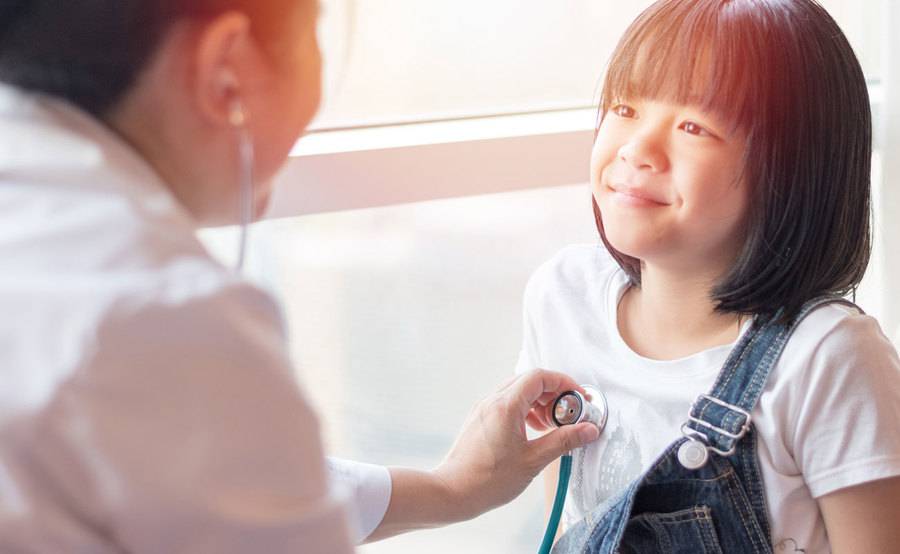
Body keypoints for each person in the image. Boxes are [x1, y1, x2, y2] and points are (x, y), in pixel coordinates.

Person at [0, 1, 602, 551]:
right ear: (227, 67)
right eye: (317, 37)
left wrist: (450, 490)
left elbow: (207, 478)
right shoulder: (162, 309)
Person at [515, 0, 900, 552]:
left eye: (694, 126)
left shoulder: (827, 356)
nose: (638, 148)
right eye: (625, 107)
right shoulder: (563, 299)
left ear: (790, 168)